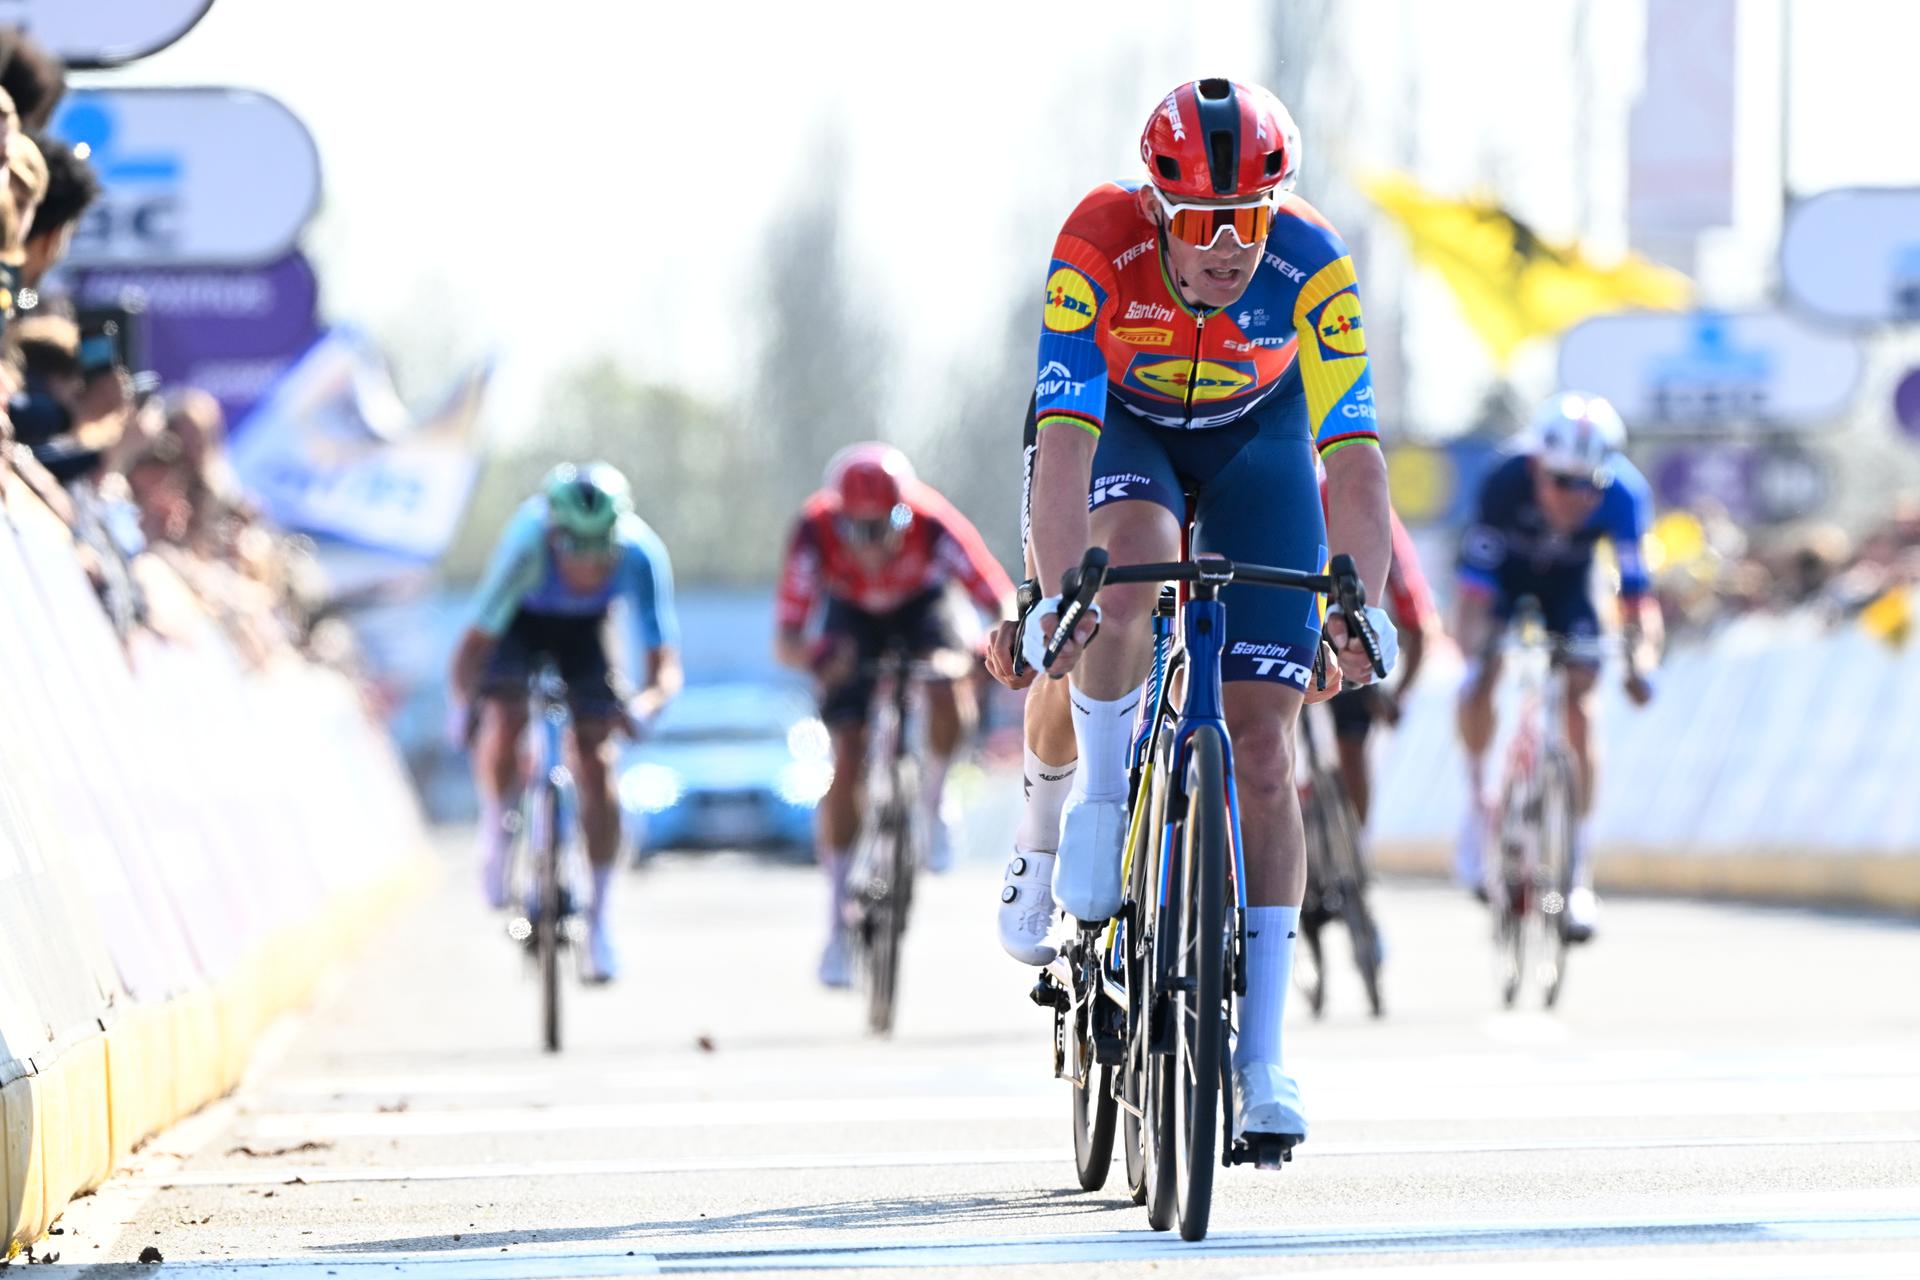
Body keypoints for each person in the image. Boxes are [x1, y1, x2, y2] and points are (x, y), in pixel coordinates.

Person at [983, 79, 1397, 1148]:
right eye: (1205, 220)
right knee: (1122, 575)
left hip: (1260, 442)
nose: (1228, 245)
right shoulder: (1098, 239)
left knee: (1265, 749)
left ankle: (1263, 1053)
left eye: (1249, 218)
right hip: (1122, 430)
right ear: (1161, 209)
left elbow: (1352, 460)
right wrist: (1061, 584)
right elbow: (1066, 441)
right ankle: (1099, 800)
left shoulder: (1316, 265)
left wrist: (1364, 605)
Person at [775, 442, 1015, 988]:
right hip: (851, 618)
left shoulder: (933, 524)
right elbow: (786, 639)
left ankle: (933, 798)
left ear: (907, 513)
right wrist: (817, 658)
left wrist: (985, 647)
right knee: (848, 755)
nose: (874, 545)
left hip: (922, 609)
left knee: (945, 678)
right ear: (838, 521)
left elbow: (999, 597)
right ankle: (837, 925)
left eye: (886, 527)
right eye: (857, 532)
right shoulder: (813, 533)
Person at [449, 462, 682, 983]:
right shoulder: (526, 544)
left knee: (598, 760)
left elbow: (664, 661)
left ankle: (599, 918)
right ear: (553, 534)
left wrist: (645, 706)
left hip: (588, 633)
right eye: (575, 547)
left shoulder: (641, 555)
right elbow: (471, 648)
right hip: (520, 626)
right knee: (505, 715)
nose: (589, 562)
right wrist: (463, 706)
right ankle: (496, 824)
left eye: (602, 548)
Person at [1452, 392, 1662, 942]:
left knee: (1582, 702)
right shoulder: (1503, 483)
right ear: (1536, 467)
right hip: (1507, 584)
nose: (1575, 497)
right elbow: (1472, 600)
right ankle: (1479, 815)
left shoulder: (1623, 495)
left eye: (1587, 484)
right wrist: (1476, 658)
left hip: (1572, 590)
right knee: (1479, 683)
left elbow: (1639, 602)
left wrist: (1641, 661)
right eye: (1561, 481)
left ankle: (1577, 870)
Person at [1320, 481, 1440, 826]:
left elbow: (1418, 624)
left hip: (1343, 618)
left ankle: (1355, 847)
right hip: (1296, 604)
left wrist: (1397, 695)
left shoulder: (1374, 516)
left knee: (1353, 730)